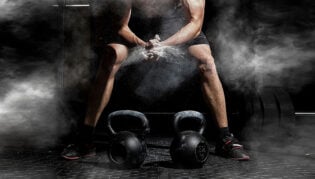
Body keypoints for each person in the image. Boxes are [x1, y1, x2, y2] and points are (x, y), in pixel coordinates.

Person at [61, 0, 250, 161]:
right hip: (136, 29)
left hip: (180, 29)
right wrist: (144, 45)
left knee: (206, 61)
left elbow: (195, 24)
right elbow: (121, 27)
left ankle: (225, 139)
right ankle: (85, 139)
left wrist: (163, 45)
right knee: (111, 56)